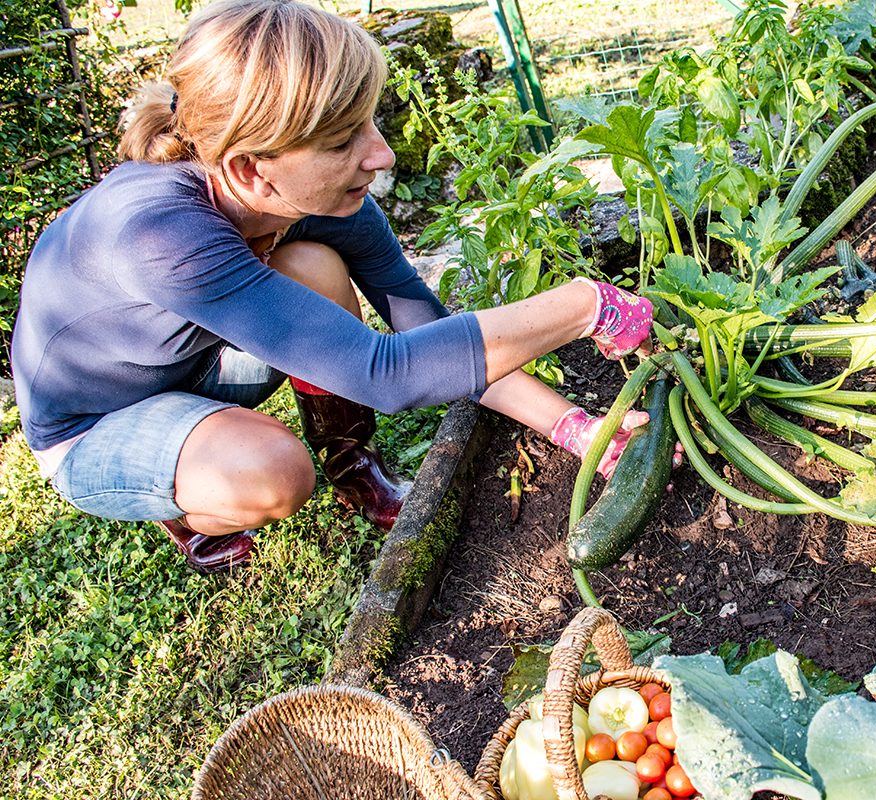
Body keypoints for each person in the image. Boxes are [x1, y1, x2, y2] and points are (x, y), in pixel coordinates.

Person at [11, 0, 660, 574]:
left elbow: (427, 332)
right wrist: (586, 306)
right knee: (272, 472)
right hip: (96, 424)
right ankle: (188, 510)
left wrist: (577, 429)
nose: (381, 156)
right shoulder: (161, 235)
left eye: (369, 123)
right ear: (250, 169)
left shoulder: (315, 199)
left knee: (312, 265)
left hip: (194, 362)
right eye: (344, 140)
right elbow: (388, 374)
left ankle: (352, 467)